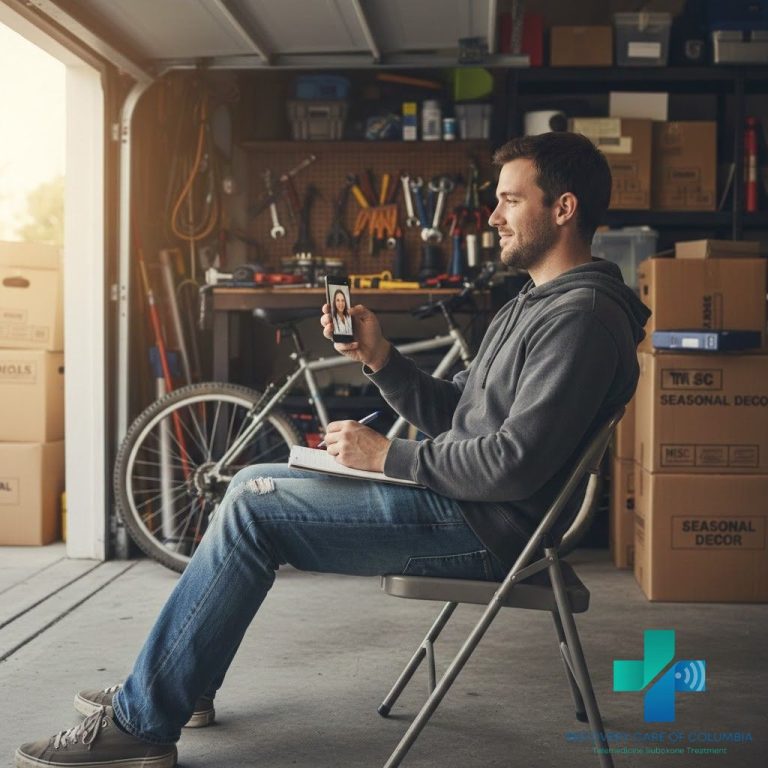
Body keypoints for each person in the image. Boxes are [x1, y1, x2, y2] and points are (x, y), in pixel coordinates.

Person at [15, 131, 650, 767]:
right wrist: (379, 358)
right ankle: (178, 685)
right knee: (249, 480)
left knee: (252, 510)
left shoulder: (581, 319)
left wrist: (388, 457)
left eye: (510, 201)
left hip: (489, 528)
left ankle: (144, 721)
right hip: (463, 504)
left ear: (562, 209)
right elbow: (460, 415)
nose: (492, 217)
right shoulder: (536, 304)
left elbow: (515, 463)